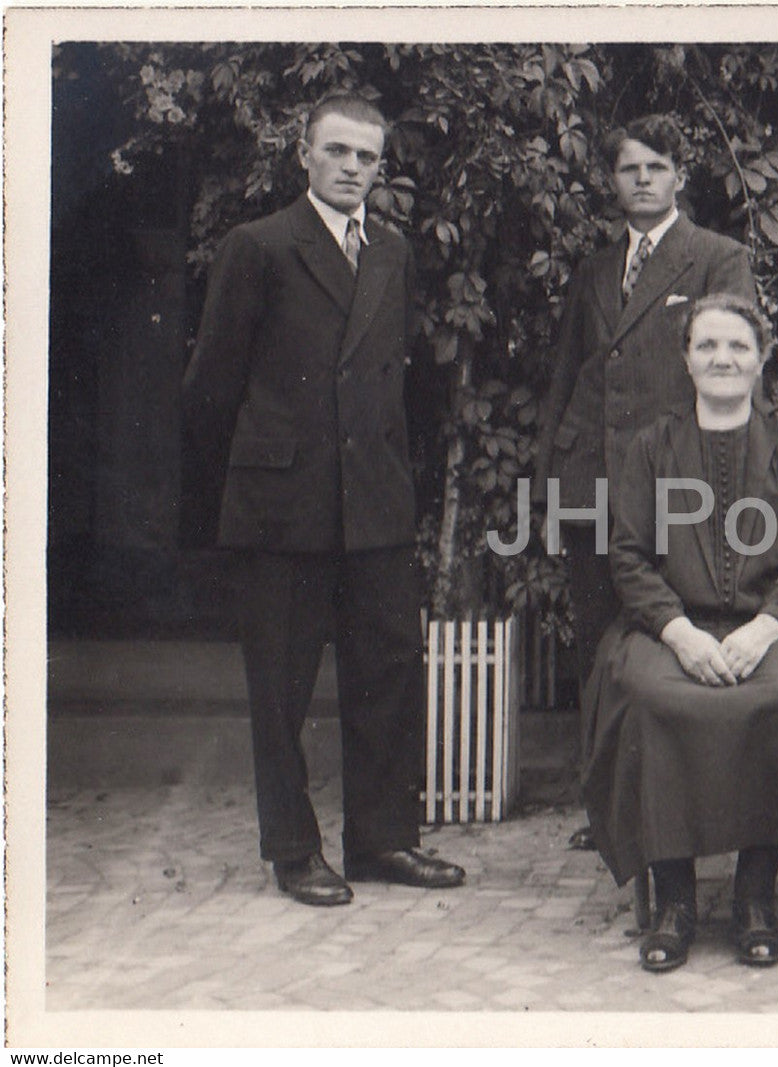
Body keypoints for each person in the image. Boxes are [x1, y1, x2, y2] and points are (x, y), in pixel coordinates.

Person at [183, 92, 465, 906]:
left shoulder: (394, 253)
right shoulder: (259, 246)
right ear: (302, 154)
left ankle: (381, 840)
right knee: (281, 688)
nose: (351, 169)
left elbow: (399, 380)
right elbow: (209, 390)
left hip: (372, 501)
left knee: (387, 670)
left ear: (381, 169)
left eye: (366, 158)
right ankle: (294, 849)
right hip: (282, 506)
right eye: (337, 152)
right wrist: (234, 501)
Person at [581, 294, 778, 973]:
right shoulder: (652, 444)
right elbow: (628, 555)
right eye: (706, 346)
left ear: (761, 357)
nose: (722, 359)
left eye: (737, 346)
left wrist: (765, 628)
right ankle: (675, 899)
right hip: (672, 625)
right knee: (652, 696)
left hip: (773, 626)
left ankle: (755, 895)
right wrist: (679, 634)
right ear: (685, 359)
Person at [536, 114, 754, 764]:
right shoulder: (596, 269)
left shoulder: (717, 257)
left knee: (678, 630)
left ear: (679, 177)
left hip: (677, 481)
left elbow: (732, 373)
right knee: (599, 638)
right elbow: (565, 379)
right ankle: (606, 794)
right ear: (612, 180)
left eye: (655, 167)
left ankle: (680, 784)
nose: (641, 179)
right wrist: (551, 483)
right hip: (591, 481)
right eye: (629, 168)